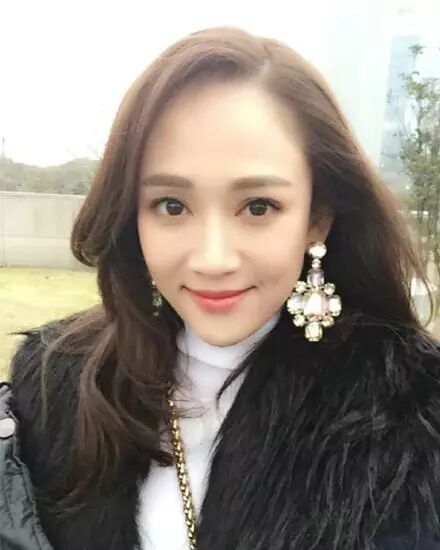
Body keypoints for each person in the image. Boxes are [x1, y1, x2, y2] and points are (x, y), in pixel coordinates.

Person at [1, 25, 440, 550]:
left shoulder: (414, 416)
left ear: (316, 218)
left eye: (258, 206)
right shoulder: (51, 387)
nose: (213, 260)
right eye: (171, 206)